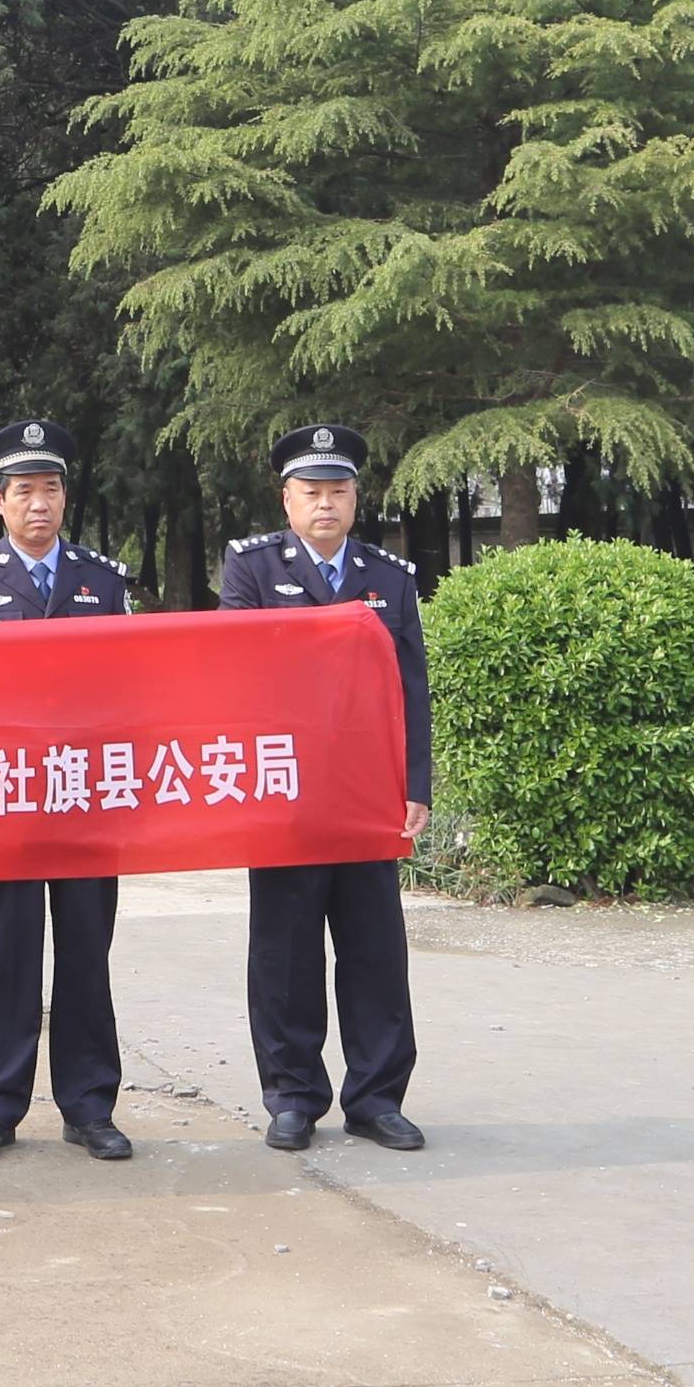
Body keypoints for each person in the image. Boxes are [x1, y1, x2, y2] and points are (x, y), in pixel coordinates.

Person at [216, 422, 432, 1152]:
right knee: (284, 949)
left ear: (355, 498)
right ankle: (292, 1094)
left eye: (337, 491)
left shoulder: (388, 577)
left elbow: (411, 691)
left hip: (367, 791)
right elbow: (237, 674)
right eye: (311, 492)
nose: (325, 505)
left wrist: (415, 784)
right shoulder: (249, 568)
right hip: (283, 786)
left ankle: (375, 1096)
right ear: (286, 499)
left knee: (373, 946)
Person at [0, 417, 136, 1163]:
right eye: (24, 491)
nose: (39, 504)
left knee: (86, 952)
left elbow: (126, 690)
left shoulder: (101, 580)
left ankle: (89, 1105)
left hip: (85, 796)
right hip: (6, 796)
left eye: (50, 489)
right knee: (6, 953)